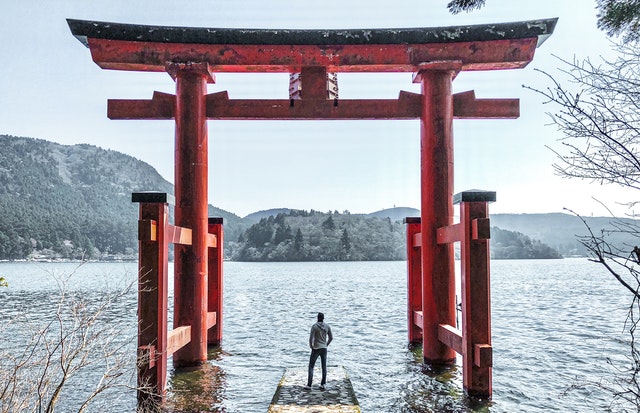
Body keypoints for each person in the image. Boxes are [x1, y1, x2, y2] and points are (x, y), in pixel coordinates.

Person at [306, 312, 333, 390]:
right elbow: (331, 338)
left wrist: (311, 346)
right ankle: (323, 384)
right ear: (323, 318)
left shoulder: (314, 326)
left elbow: (311, 339)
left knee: (311, 366)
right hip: (324, 348)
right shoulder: (327, 326)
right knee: (324, 366)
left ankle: (309, 385)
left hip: (316, 348)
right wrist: (326, 344)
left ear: (317, 318)